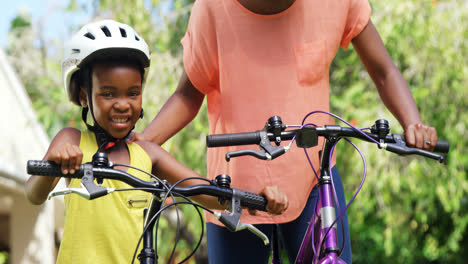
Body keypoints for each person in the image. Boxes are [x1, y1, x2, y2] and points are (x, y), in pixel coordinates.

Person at [130, 0, 439, 263]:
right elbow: (187, 95)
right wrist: (141, 144)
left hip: (315, 181)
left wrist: (412, 122)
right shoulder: (212, 8)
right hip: (234, 192)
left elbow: (383, 70)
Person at [24, 19, 288, 264]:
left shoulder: (148, 154)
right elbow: (34, 194)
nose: (122, 104)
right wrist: (55, 161)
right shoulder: (73, 140)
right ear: (84, 97)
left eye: (133, 93)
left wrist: (258, 199)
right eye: (107, 93)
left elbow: (206, 192)